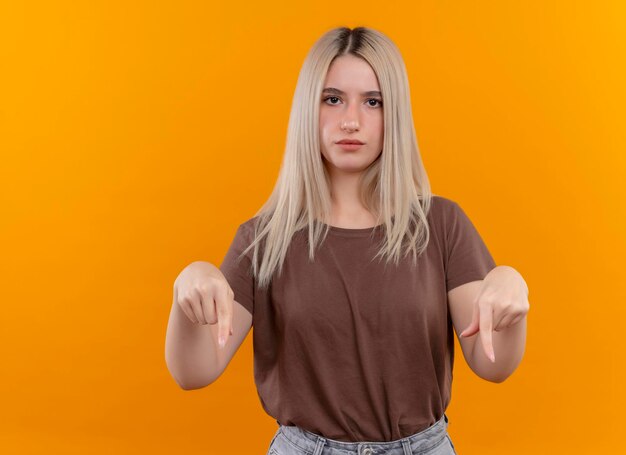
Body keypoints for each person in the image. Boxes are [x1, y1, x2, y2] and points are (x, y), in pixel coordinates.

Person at [165, 26, 529, 455]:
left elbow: (493, 365)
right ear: (308, 109)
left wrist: (510, 288)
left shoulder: (441, 224)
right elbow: (194, 372)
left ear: (394, 113)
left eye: (372, 102)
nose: (351, 120)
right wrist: (187, 289)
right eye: (332, 99)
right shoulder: (264, 240)